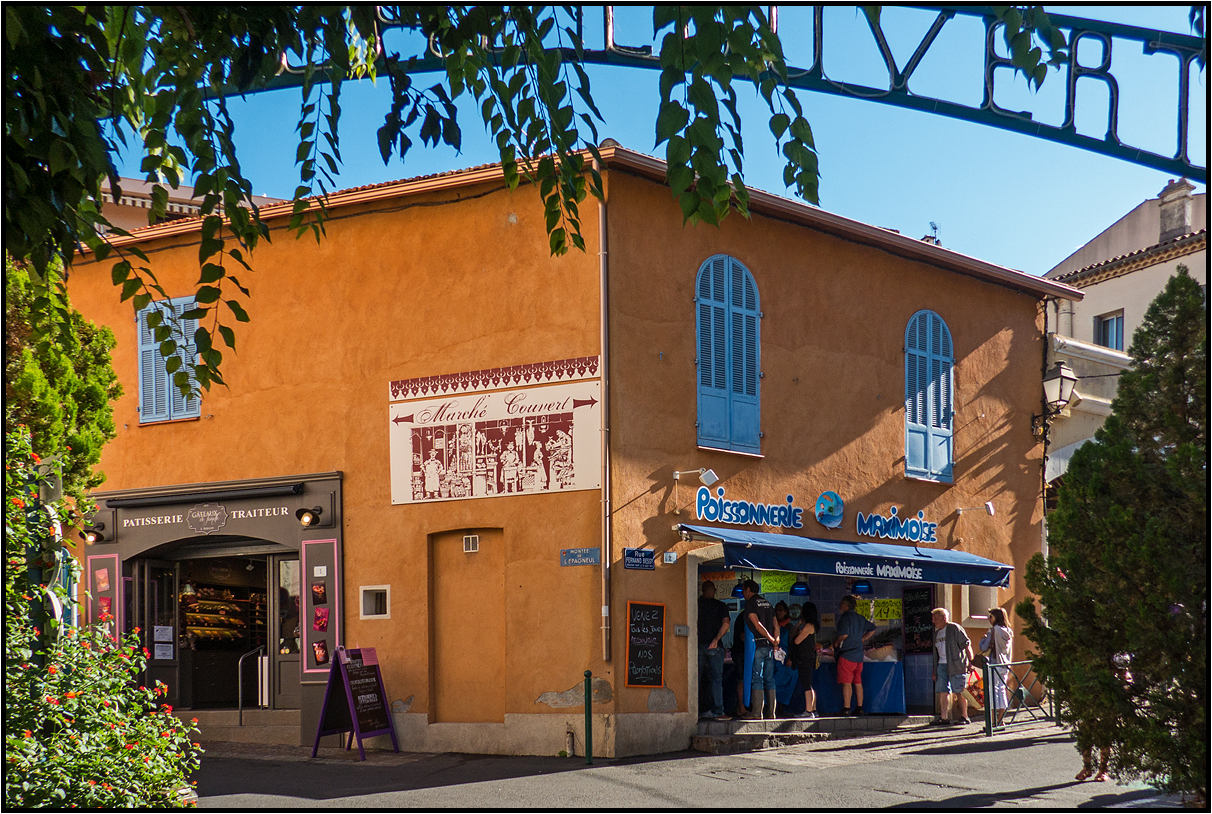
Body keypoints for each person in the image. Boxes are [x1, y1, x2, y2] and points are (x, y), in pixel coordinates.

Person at [741, 579, 781, 720]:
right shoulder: (768, 604)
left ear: (747, 590)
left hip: (758, 646)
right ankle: (771, 713)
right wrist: (776, 641)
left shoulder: (750, 604)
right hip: (770, 648)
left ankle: (757, 713)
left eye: (743, 590)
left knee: (757, 679)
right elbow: (776, 624)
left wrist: (770, 638)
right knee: (770, 679)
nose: (743, 593)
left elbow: (757, 624)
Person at [833, 595, 877, 716]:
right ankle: (859, 707)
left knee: (847, 683)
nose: (839, 606)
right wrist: (862, 639)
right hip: (858, 655)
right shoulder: (860, 618)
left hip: (847, 654)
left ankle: (846, 708)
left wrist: (836, 642)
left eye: (841, 603)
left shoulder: (844, 619)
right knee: (857, 681)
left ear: (845, 605)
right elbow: (873, 628)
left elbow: (844, 635)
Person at [930, 607, 974, 725]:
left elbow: (966, 645)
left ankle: (964, 716)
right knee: (942, 691)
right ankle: (944, 717)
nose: (933, 621)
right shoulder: (937, 633)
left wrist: (971, 662)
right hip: (941, 665)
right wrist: (935, 669)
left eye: (935, 618)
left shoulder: (954, 628)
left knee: (959, 691)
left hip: (956, 664)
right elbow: (936, 653)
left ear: (944, 618)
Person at [697, 580, 731, 721]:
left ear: (702, 591)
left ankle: (695, 710)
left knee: (696, 680)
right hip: (715, 647)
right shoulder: (720, 606)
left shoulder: (696, 605)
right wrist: (716, 639)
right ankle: (718, 712)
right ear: (714, 591)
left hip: (698, 646)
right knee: (716, 680)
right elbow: (726, 623)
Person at [980, 607, 1014, 726]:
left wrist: (983, 639)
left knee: (992, 691)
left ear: (996, 617)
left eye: (991, 616)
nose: (989, 619)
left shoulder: (993, 630)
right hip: (1004, 664)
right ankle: (1001, 719)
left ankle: (993, 721)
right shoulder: (1008, 631)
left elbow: (984, 648)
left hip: (994, 663)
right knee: (1001, 691)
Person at [792, 601, 819, 719]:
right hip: (808, 657)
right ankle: (813, 709)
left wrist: (799, 628)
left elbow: (797, 640)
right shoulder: (810, 625)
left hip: (805, 657)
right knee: (809, 684)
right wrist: (798, 624)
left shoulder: (808, 626)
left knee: (806, 684)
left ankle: (809, 710)